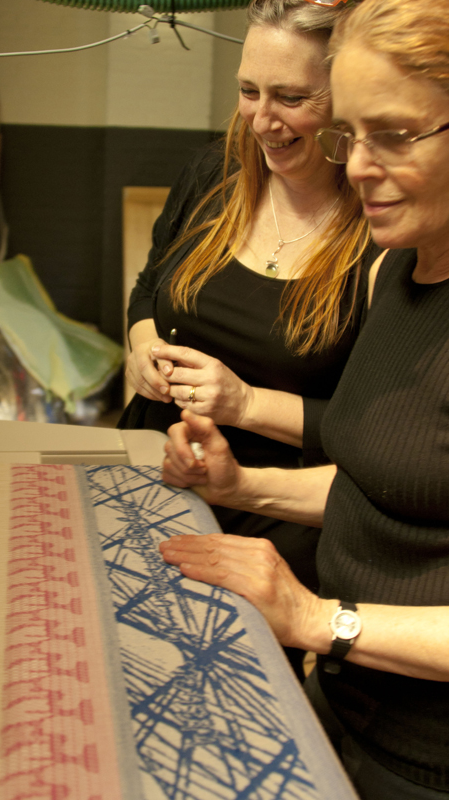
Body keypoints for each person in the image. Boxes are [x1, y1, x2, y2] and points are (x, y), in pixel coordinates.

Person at [159, 0, 449, 797]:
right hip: (348, 710)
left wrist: (319, 619)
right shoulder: (400, 272)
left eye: (391, 135)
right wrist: (240, 486)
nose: (356, 167)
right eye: (349, 136)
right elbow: (380, 486)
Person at [120, 0, 375, 678]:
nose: (262, 119)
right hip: (155, 473)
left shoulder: (379, 232)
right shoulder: (214, 173)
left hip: (271, 516)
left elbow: (370, 438)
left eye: (290, 97)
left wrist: (242, 403)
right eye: (248, 91)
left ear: (346, 98)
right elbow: (150, 284)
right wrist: (143, 341)